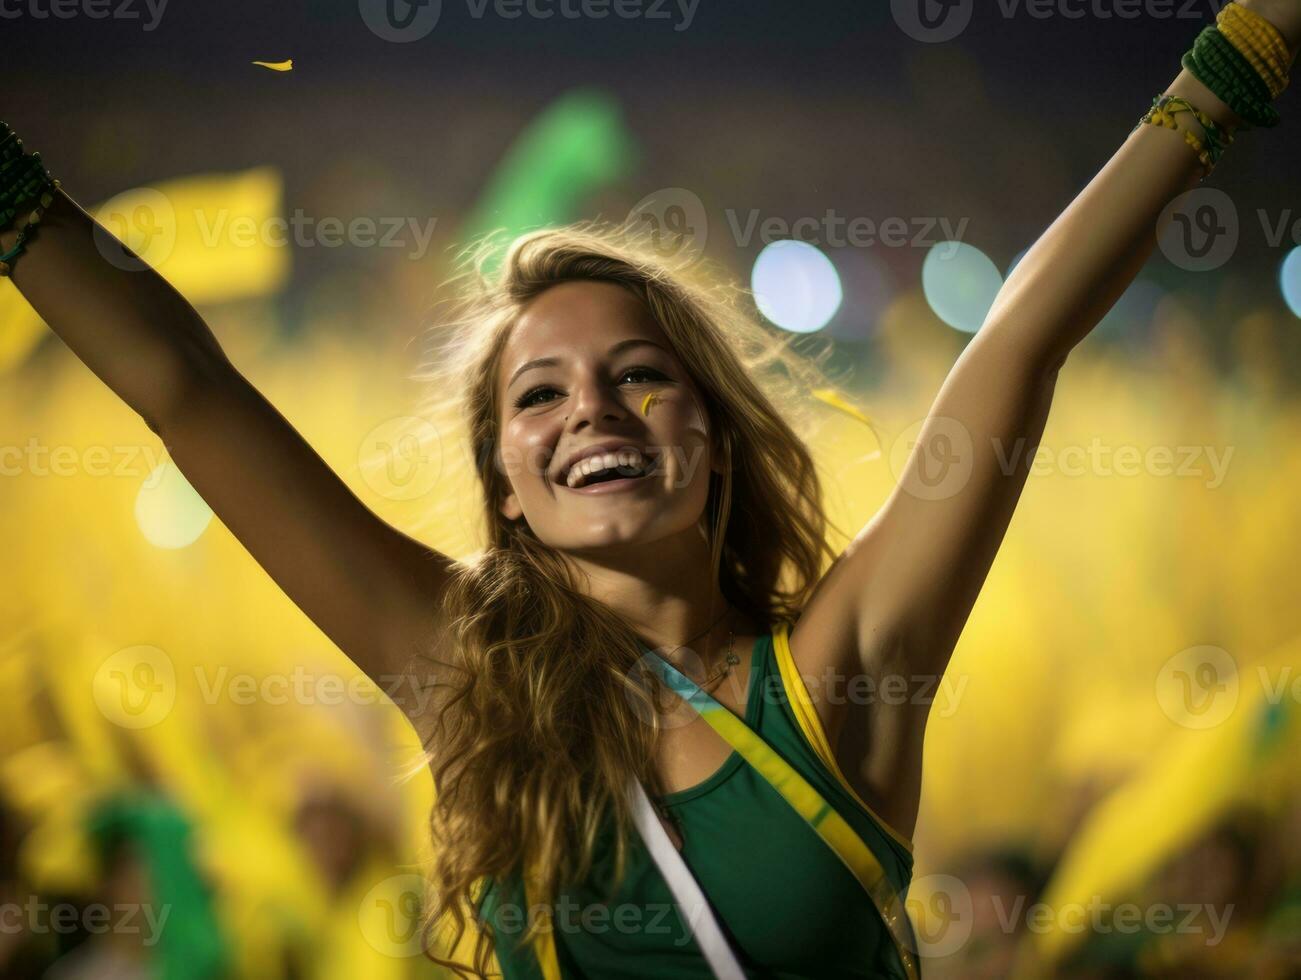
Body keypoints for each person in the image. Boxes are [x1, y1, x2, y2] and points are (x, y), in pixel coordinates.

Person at [3, 3, 1297, 976]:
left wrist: (1238, 55)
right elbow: (186, 390)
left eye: (638, 377)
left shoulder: (845, 669)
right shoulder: (459, 673)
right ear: (504, 480)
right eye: (539, 396)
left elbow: (1015, 340)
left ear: (717, 438)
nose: (592, 415)